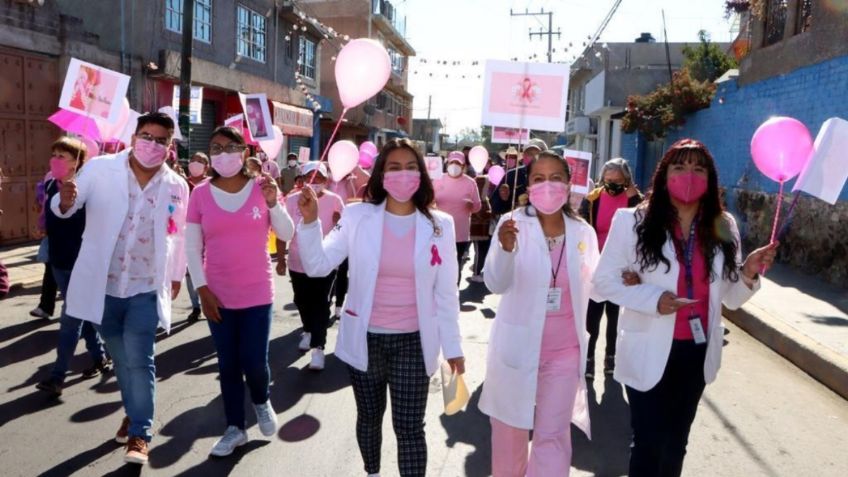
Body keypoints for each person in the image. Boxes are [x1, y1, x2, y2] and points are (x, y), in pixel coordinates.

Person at [592, 139, 778, 477]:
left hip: (697, 351)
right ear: (664, 176)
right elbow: (603, 282)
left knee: (677, 443)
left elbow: (731, 297)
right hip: (647, 348)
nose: (689, 175)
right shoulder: (631, 221)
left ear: (710, 178)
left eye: (698, 168)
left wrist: (748, 272)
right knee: (648, 444)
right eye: (679, 167)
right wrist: (652, 299)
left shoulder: (725, 226)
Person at [296, 138, 465, 477]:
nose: (402, 175)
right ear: (380, 175)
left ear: (421, 174)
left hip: (415, 342)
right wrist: (311, 222)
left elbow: (446, 293)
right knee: (369, 418)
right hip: (366, 338)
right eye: (393, 168)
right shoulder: (358, 216)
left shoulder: (440, 225)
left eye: (410, 167)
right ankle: (372, 472)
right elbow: (317, 264)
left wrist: (454, 349)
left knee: (409, 427)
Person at [50, 112, 189, 465]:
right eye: (147, 135)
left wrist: (175, 276)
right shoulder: (100, 170)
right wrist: (64, 200)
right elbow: (68, 205)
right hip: (104, 288)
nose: (152, 144)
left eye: (161, 140)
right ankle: (134, 411)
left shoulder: (175, 185)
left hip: (145, 285)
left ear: (170, 146)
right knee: (123, 361)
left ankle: (141, 433)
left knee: (140, 362)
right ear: (133, 136)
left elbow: (179, 235)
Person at [479, 150, 599, 476]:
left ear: (569, 183)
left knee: (553, 436)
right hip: (517, 346)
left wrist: (625, 278)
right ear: (528, 186)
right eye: (538, 179)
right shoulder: (512, 224)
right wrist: (504, 250)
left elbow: (596, 284)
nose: (548, 185)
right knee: (509, 431)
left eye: (556, 178)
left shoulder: (582, 233)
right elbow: (495, 283)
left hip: (564, 351)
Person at [186, 126, 295, 457]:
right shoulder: (200, 194)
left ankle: (261, 402)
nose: (222, 154)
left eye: (229, 147)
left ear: (243, 152)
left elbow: (286, 232)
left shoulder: (262, 189)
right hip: (217, 294)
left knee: (255, 361)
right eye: (215, 148)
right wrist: (202, 289)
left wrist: (275, 202)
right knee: (228, 365)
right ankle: (235, 428)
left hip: (257, 292)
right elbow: (192, 248)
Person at [36, 137, 110, 397]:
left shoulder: (88, 189)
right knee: (84, 314)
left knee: (70, 319)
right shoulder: (49, 184)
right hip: (59, 262)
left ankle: (57, 377)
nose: (55, 160)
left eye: (62, 156)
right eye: (54, 154)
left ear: (77, 162)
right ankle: (102, 356)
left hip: (82, 263)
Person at [579, 158, 644, 378]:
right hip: (596, 266)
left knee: (615, 318)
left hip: (623, 269)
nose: (613, 184)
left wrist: (634, 197)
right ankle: (588, 359)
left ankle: (611, 358)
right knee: (592, 317)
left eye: (618, 180)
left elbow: (645, 227)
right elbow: (580, 227)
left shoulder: (636, 200)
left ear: (627, 180)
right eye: (608, 180)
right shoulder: (593, 199)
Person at [277, 161, 344, 371]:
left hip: (326, 263)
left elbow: (344, 229)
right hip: (298, 262)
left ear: (326, 180)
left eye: (319, 178)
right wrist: (280, 258)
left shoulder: (335, 200)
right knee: (301, 300)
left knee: (321, 304)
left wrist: (338, 219)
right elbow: (283, 231)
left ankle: (318, 348)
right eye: (309, 177)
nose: (314, 182)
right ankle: (307, 330)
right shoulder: (292, 200)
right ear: (302, 179)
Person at [327, 165, 371, 320]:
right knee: (336, 271)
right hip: (337, 232)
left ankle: (344, 304)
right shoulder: (328, 181)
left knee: (350, 272)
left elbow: (355, 202)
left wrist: (351, 179)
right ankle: (333, 304)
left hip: (358, 236)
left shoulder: (357, 184)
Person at [433, 151, 481, 284]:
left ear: (464, 165)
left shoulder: (470, 183)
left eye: (458, 163)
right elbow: (428, 201)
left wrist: (472, 206)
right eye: (452, 162)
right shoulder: (437, 179)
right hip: (438, 231)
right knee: (436, 264)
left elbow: (478, 206)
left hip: (459, 234)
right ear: (447, 163)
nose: (454, 165)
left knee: (455, 266)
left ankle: (454, 296)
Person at [185, 152, 210, 323]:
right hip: (186, 233)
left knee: (208, 270)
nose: (195, 163)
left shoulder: (211, 185)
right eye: (193, 160)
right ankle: (196, 306)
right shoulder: (181, 183)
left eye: (200, 161)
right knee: (190, 271)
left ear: (206, 167)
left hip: (208, 234)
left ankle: (211, 302)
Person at [490, 140, 545, 214]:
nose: (533, 158)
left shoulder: (552, 178)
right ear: (524, 156)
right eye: (529, 154)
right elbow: (494, 207)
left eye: (537, 154)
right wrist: (502, 199)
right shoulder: (511, 175)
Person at [469, 165, 494, 283]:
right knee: (480, 252)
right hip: (478, 231)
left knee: (482, 251)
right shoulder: (477, 200)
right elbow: (478, 215)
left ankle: (476, 268)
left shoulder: (485, 199)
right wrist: (490, 213)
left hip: (485, 231)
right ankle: (476, 273)